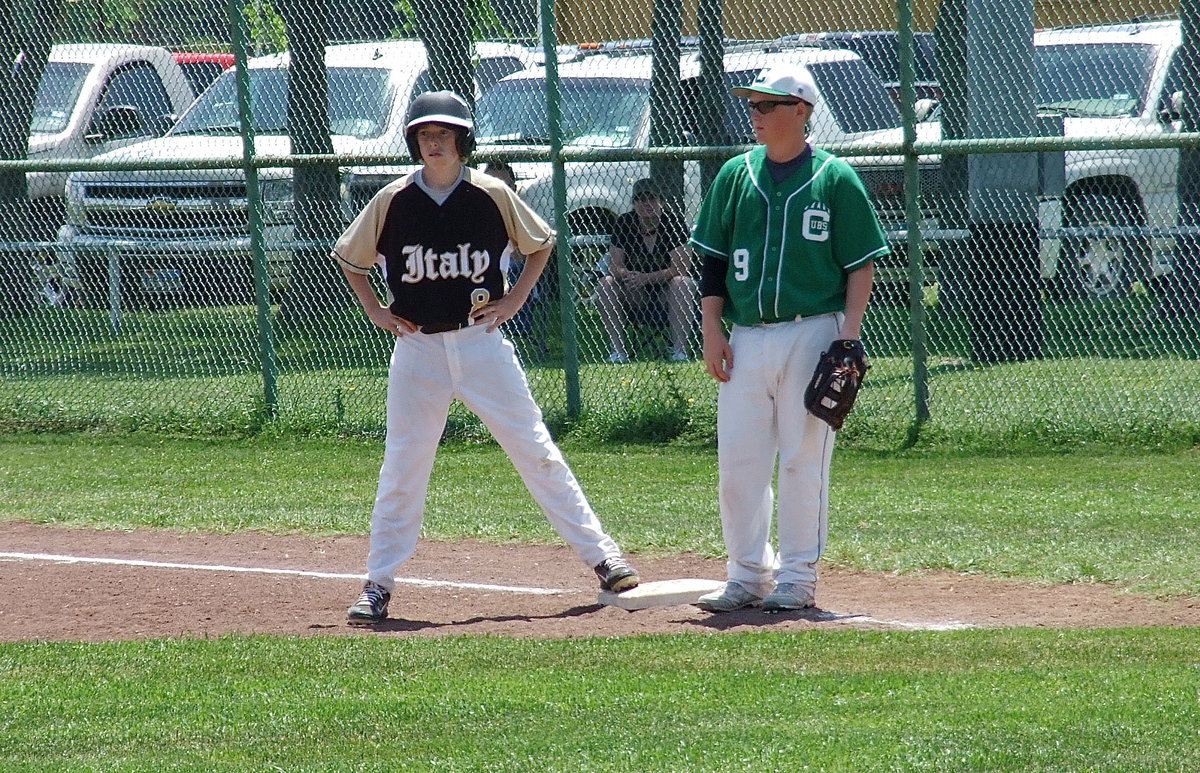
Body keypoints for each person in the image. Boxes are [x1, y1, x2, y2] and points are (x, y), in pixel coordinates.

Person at [332, 91, 640, 625]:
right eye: (425, 134)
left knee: (536, 450)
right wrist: (377, 311)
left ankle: (604, 557)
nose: (434, 143)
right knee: (403, 466)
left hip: (480, 346)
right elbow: (351, 258)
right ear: (413, 142)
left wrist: (515, 298)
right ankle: (378, 584)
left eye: (445, 134)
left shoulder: (492, 193)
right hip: (418, 348)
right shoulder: (392, 199)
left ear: (463, 142)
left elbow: (540, 244)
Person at [688, 66, 886, 613]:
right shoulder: (734, 175)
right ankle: (747, 574)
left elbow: (860, 264)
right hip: (747, 335)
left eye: (766, 105)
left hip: (813, 331)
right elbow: (713, 262)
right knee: (739, 461)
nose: (755, 114)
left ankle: (798, 578)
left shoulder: (835, 178)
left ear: (800, 111)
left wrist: (848, 338)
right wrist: (712, 331)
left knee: (803, 458)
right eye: (752, 105)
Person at [595, 178, 698, 363]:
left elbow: (681, 267)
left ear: (662, 202)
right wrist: (629, 276)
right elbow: (614, 266)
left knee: (683, 283)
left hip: (666, 291)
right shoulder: (624, 222)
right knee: (605, 284)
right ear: (634, 203)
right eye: (640, 199)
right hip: (635, 290)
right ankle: (618, 352)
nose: (646, 204)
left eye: (651, 198)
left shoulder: (673, 222)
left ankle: (679, 352)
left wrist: (647, 278)